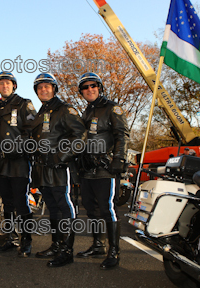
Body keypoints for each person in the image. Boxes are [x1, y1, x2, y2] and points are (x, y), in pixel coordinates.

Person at [30, 73, 86, 267]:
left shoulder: (65, 109)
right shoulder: (41, 112)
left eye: (47, 86)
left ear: (54, 88)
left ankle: (67, 251)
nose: (43, 90)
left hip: (61, 168)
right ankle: (56, 245)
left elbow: (80, 135)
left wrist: (60, 156)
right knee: (53, 209)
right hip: (43, 169)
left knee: (66, 208)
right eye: (39, 88)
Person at [76, 72, 129, 270]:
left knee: (108, 209)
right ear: (81, 92)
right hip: (87, 170)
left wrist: (119, 159)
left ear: (99, 87)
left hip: (106, 168)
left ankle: (114, 251)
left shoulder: (111, 108)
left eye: (93, 85)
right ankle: (98, 245)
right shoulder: (86, 112)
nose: (89, 89)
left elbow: (122, 135)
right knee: (91, 209)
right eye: (85, 87)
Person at [0, 71, 37, 256]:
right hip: (0, 163)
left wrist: (19, 147)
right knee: (6, 203)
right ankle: (11, 238)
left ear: (14, 85)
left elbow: (32, 129)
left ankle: (26, 241)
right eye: (1, 84)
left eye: (8, 83)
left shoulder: (24, 104)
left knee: (21, 202)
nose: (5, 86)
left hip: (18, 161)